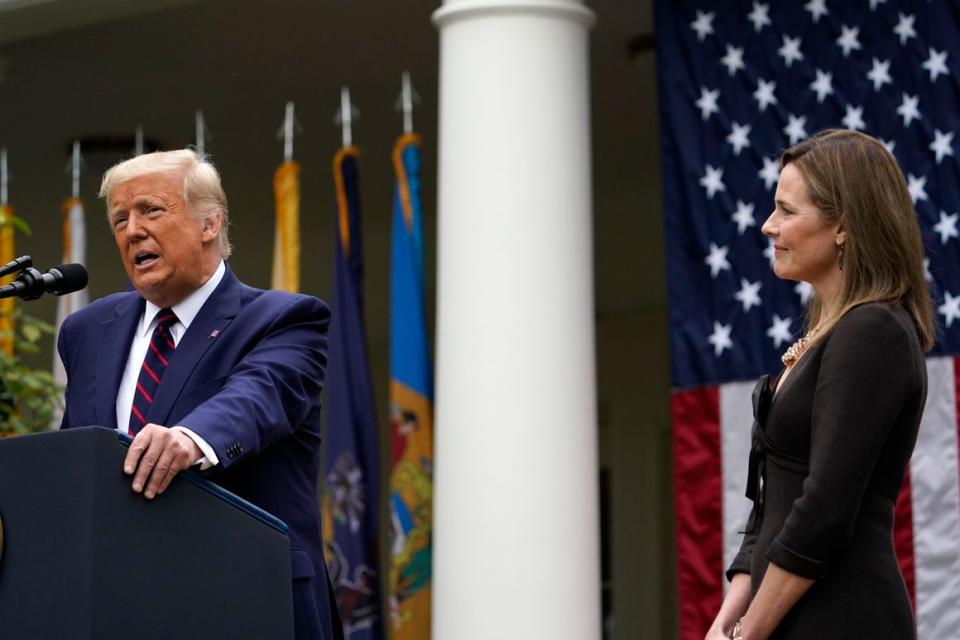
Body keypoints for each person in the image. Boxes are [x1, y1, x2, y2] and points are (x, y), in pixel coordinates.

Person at [56, 149, 344, 640]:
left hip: (247, 597)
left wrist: (190, 438)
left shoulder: (285, 319)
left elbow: (258, 397)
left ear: (210, 223)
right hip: (116, 605)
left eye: (150, 210)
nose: (131, 231)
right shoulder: (86, 330)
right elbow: (76, 457)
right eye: (120, 219)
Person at [706, 129, 935, 640]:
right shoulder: (829, 334)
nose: (769, 226)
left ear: (844, 226)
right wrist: (729, 618)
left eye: (787, 211)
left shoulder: (873, 331)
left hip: (841, 618)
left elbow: (824, 508)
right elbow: (769, 504)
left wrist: (750, 633)